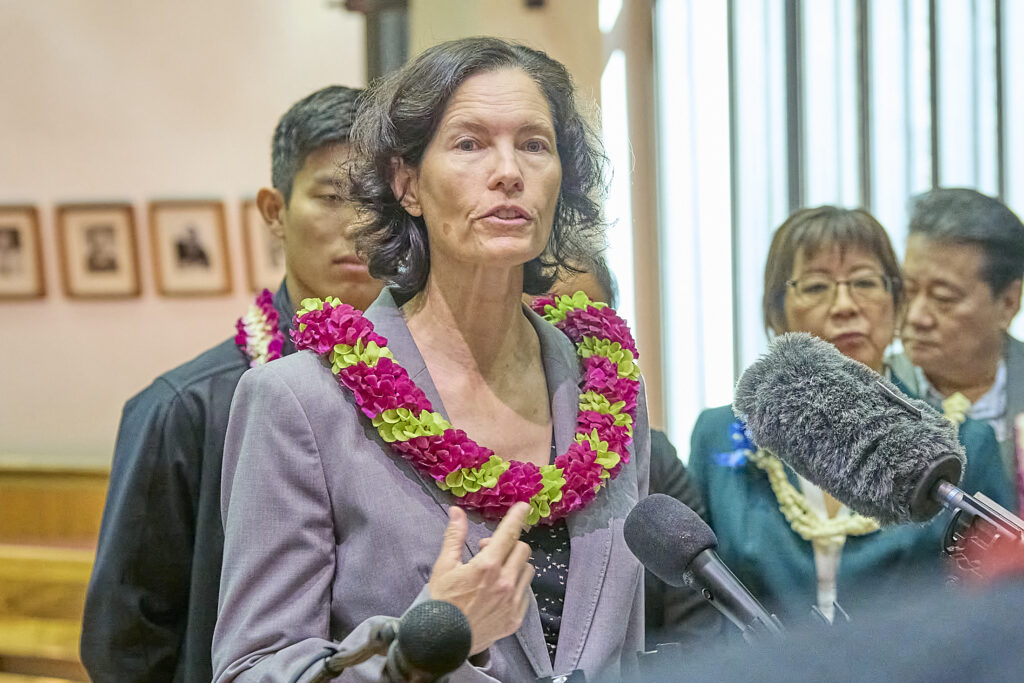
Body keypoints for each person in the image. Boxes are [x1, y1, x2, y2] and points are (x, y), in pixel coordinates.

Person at [213, 37, 651, 682]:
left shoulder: (607, 391)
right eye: (470, 143)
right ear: (407, 183)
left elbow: (625, 645)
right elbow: (251, 670)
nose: (509, 171)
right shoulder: (300, 401)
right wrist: (423, 647)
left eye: (534, 144)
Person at [80, 85, 381, 683]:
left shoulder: (442, 388)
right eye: (330, 197)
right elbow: (127, 644)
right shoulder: (187, 407)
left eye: (379, 201)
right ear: (275, 211)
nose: (357, 225)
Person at [688, 206, 1013, 629]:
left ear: (897, 308)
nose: (844, 305)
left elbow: (1002, 609)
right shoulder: (720, 436)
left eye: (864, 282)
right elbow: (692, 603)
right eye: (817, 286)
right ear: (776, 314)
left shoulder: (964, 441)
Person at [531, 255, 721, 648]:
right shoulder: (470, 460)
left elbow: (696, 625)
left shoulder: (656, 460)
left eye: (582, 331)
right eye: (544, 323)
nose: (561, 349)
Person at [889, 188, 1024, 509]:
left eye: (943, 298)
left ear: (1008, 303)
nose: (917, 316)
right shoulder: (877, 392)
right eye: (908, 291)